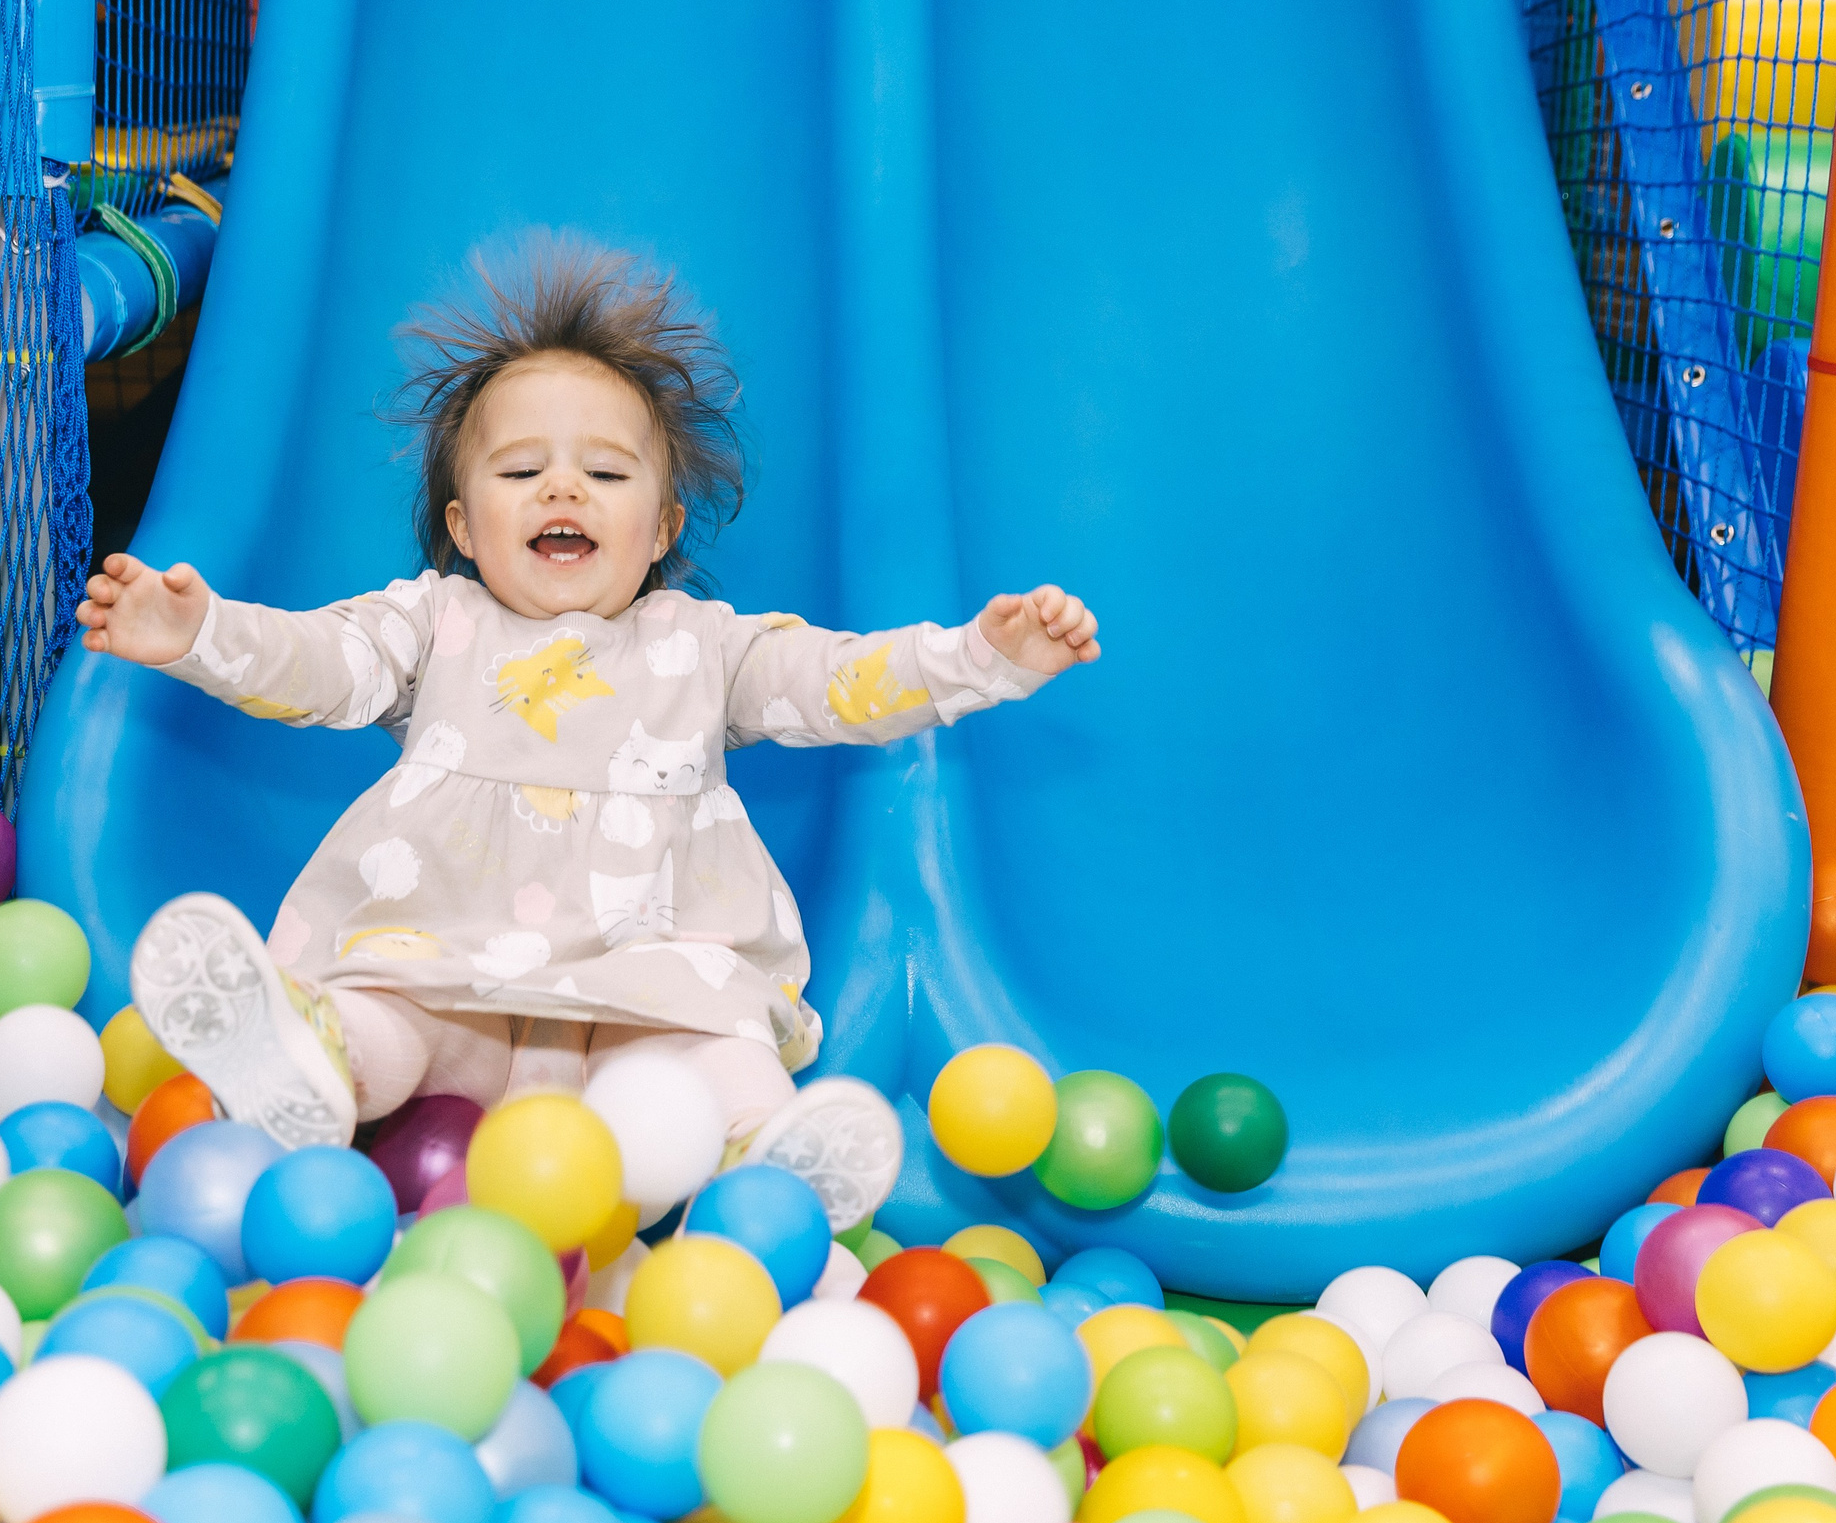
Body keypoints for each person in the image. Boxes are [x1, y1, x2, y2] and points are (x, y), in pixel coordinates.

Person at [73, 237, 1100, 1226]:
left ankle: (760, 1164)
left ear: (658, 530)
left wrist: (983, 656)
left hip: (642, 985)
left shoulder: (703, 645)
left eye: (605, 474)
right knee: (394, 1017)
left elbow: (839, 681)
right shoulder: (433, 622)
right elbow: (321, 668)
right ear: (465, 525)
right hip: (449, 960)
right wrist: (198, 632)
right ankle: (307, 1059)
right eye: (522, 471)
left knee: (710, 1055)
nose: (563, 489)